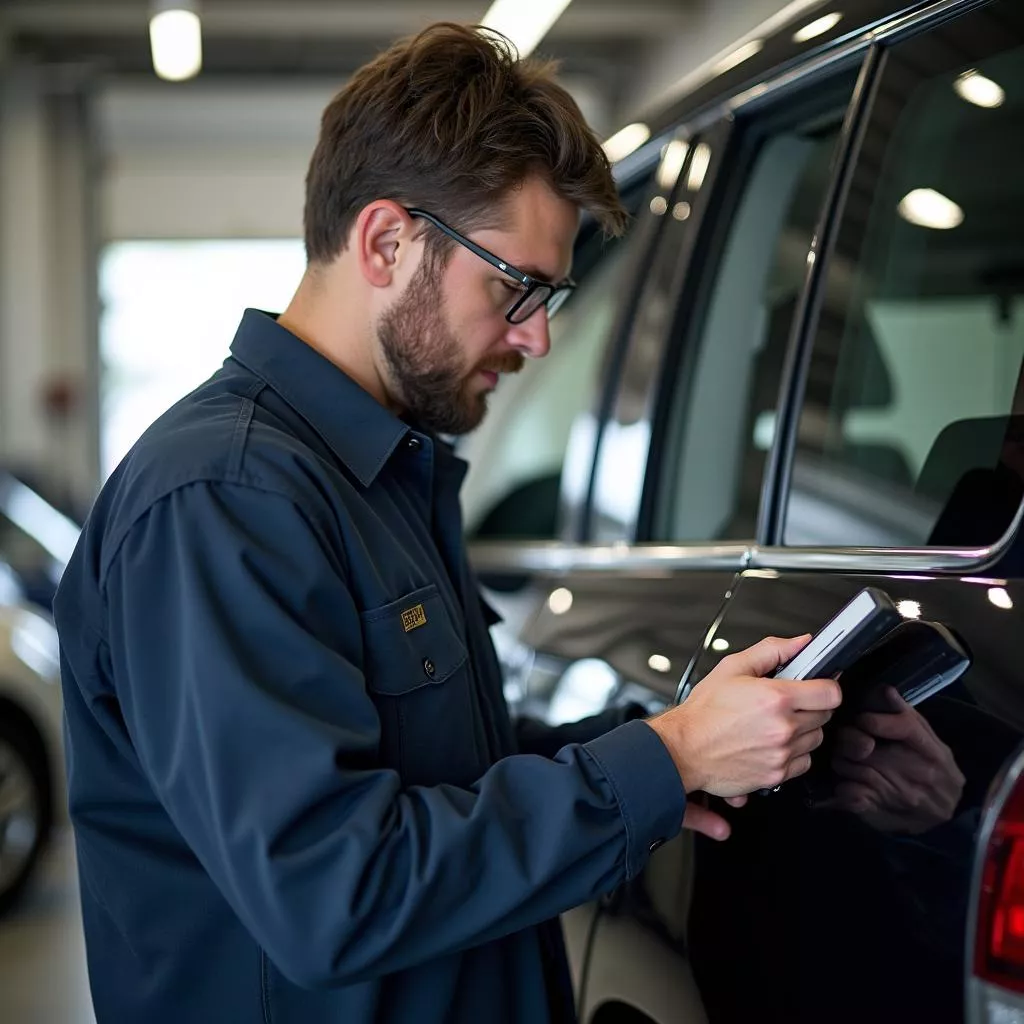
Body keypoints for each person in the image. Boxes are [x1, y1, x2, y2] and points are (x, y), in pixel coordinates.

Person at [53, 23, 841, 1024]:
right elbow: (334, 893)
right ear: (386, 240)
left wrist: (700, 737)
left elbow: (448, 768)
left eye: (549, 295)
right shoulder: (226, 496)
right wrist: (666, 760)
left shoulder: (375, 474)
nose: (538, 335)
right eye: (515, 287)